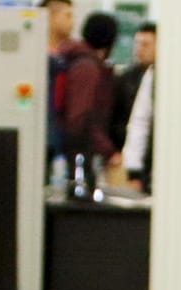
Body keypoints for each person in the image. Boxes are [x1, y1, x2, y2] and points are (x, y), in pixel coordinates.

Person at [55, 12, 119, 182]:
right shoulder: (87, 68)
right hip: (79, 155)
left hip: (73, 151)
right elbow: (80, 116)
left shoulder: (76, 60)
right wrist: (107, 149)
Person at [110, 22, 156, 166]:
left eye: (146, 44)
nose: (139, 49)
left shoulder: (162, 79)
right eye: (137, 43)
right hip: (129, 149)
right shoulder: (124, 79)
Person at [41, 0, 76, 168]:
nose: (73, 22)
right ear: (51, 17)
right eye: (68, 15)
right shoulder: (37, 59)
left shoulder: (69, 58)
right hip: (44, 138)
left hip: (60, 139)